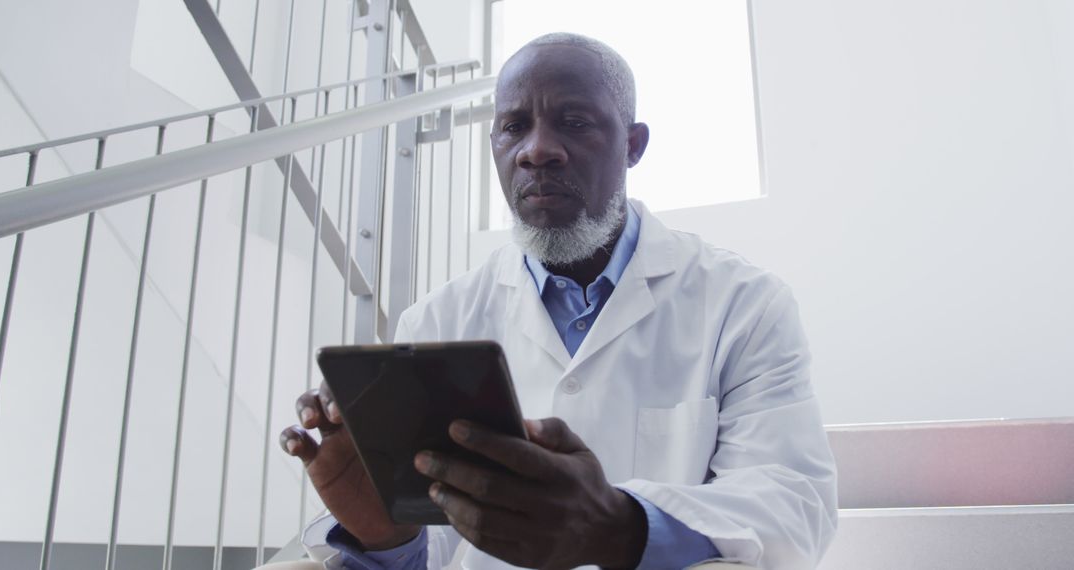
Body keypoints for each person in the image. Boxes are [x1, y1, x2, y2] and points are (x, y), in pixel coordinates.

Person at [280, 33, 837, 569]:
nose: (537, 150)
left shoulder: (744, 305)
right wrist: (384, 537)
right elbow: (437, 552)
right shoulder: (434, 319)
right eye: (513, 127)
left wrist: (619, 526)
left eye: (574, 123)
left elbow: (793, 505)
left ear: (633, 145)